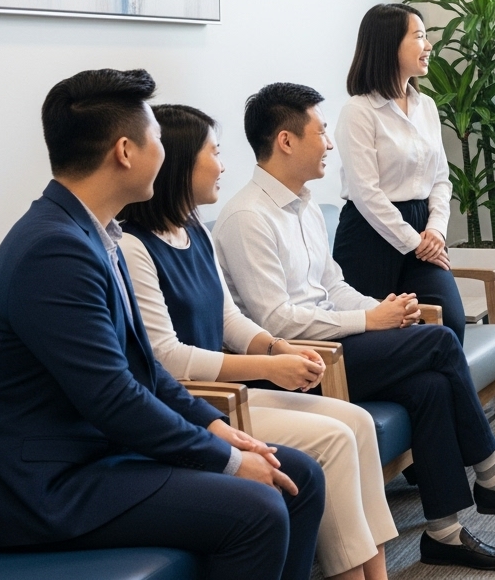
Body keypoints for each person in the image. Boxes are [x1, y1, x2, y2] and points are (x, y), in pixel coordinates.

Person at [213, 82, 495, 570]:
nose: (329, 143)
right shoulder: (246, 218)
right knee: (441, 342)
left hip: (338, 339)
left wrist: (383, 310)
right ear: (286, 140)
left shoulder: (305, 209)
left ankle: (444, 532)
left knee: (428, 384)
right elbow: (275, 319)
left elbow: (332, 286)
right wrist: (368, 319)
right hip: (302, 361)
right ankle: (492, 473)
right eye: (320, 131)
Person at [0, 69, 323, 580]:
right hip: (50, 485)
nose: (165, 153)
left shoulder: (96, 232)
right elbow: (113, 397)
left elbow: (144, 371)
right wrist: (225, 460)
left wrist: (215, 428)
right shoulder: (53, 250)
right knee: (258, 509)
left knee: (299, 472)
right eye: (157, 140)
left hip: (96, 454)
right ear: (125, 151)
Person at [119, 104, 398, 580]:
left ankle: (376, 573)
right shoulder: (133, 246)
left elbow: (229, 318)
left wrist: (276, 349)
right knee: (331, 439)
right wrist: (265, 368)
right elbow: (167, 356)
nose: (223, 166)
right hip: (199, 403)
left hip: (231, 395)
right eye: (215, 153)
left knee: (357, 423)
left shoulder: (193, 231)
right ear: (180, 164)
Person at [332, 3, 468, 343]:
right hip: (370, 234)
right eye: (419, 36)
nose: (429, 46)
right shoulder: (358, 111)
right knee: (376, 333)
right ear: (389, 45)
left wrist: (435, 231)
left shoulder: (427, 107)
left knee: (450, 320)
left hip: (423, 230)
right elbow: (366, 194)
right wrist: (414, 241)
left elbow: (440, 178)